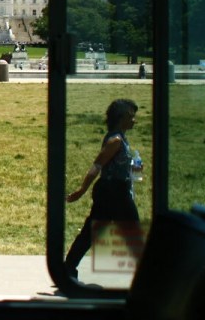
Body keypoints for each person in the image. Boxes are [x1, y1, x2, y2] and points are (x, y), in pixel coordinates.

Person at [64, 98, 142, 280]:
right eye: (131, 116)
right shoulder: (115, 140)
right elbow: (97, 166)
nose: (134, 120)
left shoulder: (120, 138)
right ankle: (144, 275)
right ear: (121, 117)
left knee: (93, 231)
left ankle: (68, 268)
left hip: (115, 190)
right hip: (113, 192)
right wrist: (81, 190)